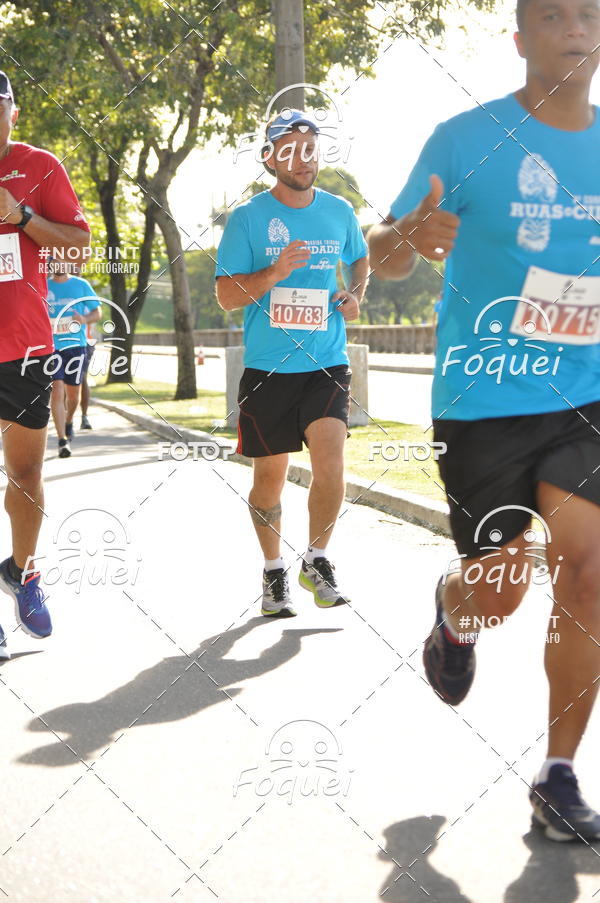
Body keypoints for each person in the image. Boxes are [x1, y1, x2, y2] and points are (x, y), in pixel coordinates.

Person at [369, 0, 600, 843]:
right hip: (486, 395)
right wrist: (408, 234)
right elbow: (384, 254)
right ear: (520, 40)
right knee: (501, 586)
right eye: (552, 15)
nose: (573, 25)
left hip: (587, 396)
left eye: (587, 13)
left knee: (588, 569)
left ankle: (559, 772)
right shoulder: (465, 140)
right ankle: (456, 610)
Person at [216, 109, 368, 617]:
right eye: (290, 149)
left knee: (331, 463)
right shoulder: (247, 219)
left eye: (311, 147)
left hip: (326, 361)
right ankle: (274, 571)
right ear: (269, 158)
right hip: (268, 369)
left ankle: (318, 559)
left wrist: (355, 295)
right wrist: (274, 271)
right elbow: (225, 296)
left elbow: (360, 256)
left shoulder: (340, 211)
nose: (303, 158)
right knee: (269, 482)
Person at [0, 71, 90, 658]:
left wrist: (22, 216)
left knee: (27, 476)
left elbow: (78, 245)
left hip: (23, 348)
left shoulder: (39, 166)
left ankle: (24, 574)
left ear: (12, 110)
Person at [47, 262, 101, 456]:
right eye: (53, 261)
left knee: (73, 396)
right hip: (52, 348)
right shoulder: (44, 286)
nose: (57, 265)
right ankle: (62, 440)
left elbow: (97, 312)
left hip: (76, 347)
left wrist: (85, 319)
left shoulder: (81, 284)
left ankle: (69, 421)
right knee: (56, 390)